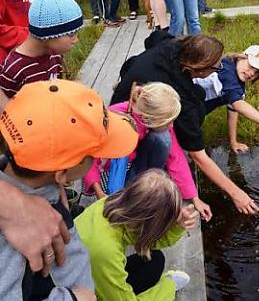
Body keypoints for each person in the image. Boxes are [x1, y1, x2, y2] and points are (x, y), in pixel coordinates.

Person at [0, 79, 138, 301]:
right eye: (95, 155)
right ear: (62, 172)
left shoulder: (19, 179)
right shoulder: (14, 237)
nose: (100, 160)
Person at [112, 30, 259, 215]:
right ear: (199, 69)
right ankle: (145, 186)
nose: (220, 68)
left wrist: (193, 196)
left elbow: (153, 37)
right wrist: (236, 193)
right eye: (216, 67)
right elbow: (199, 156)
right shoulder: (183, 102)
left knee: (195, 96)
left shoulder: (173, 45)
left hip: (128, 98)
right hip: (124, 134)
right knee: (164, 138)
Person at [76, 169, 197, 301]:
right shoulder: (104, 249)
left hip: (92, 287)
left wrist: (177, 227)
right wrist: (168, 288)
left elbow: (146, 240)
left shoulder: (113, 204)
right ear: (148, 222)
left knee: (154, 259)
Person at [84, 81, 212, 221]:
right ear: (150, 119)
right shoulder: (112, 119)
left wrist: (194, 197)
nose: (172, 125)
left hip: (129, 165)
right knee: (114, 204)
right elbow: (88, 156)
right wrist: (98, 192)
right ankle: (121, 201)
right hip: (107, 171)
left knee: (164, 138)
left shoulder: (152, 119)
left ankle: (143, 189)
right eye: (168, 121)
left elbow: (176, 157)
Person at [194, 45, 259, 153]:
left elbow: (233, 109)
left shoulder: (238, 84)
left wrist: (233, 142)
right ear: (241, 57)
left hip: (192, 112)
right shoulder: (226, 68)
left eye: (256, 73)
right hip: (180, 103)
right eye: (251, 66)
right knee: (193, 151)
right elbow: (238, 105)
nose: (251, 73)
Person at [0, 0, 83, 98]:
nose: (76, 40)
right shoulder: (14, 70)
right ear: (48, 34)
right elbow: (6, 111)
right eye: (71, 34)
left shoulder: (55, 56)